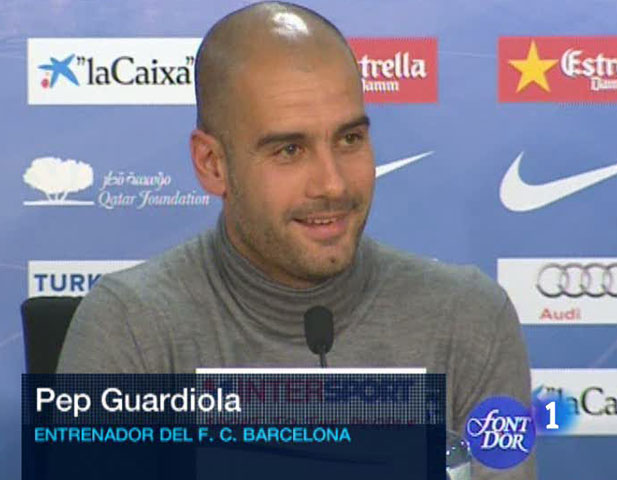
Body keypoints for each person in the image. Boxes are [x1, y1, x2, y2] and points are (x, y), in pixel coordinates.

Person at [57, 2, 535, 478]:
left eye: (349, 140)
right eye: (290, 149)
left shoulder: (469, 318)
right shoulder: (131, 327)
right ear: (212, 164)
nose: (333, 184)